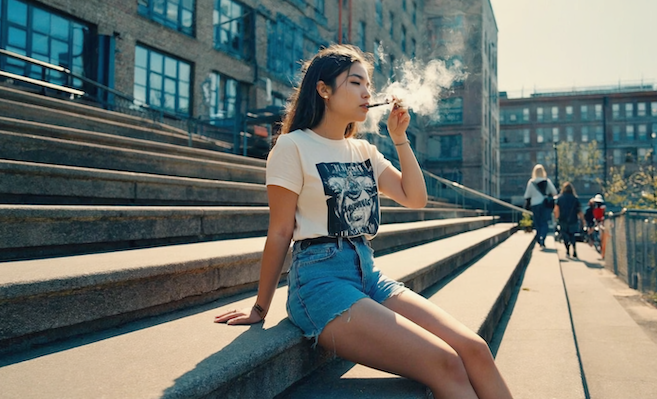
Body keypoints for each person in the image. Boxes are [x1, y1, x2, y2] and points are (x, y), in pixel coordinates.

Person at [212, 45, 513, 399]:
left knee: (474, 349)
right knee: (445, 362)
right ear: (323, 89)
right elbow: (279, 232)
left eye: (369, 84)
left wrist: (399, 139)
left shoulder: (365, 151)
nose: (368, 93)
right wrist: (260, 307)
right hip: (319, 283)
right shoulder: (292, 147)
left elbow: (415, 198)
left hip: (368, 274)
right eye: (356, 82)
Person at [523, 164, 557, 249]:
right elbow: (554, 192)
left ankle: (538, 238)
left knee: (537, 222)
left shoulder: (531, 182)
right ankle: (543, 239)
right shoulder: (547, 181)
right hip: (544, 204)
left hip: (535, 204)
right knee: (544, 222)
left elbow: (527, 195)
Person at [554, 182, 581, 258]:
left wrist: (556, 218)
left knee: (565, 235)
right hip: (573, 219)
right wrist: (583, 220)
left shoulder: (560, 198)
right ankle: (574, 250)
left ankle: (567, 251)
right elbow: (579, 210)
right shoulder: (575, 199)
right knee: (572, 235)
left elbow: (556, 210)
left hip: (563, 219)